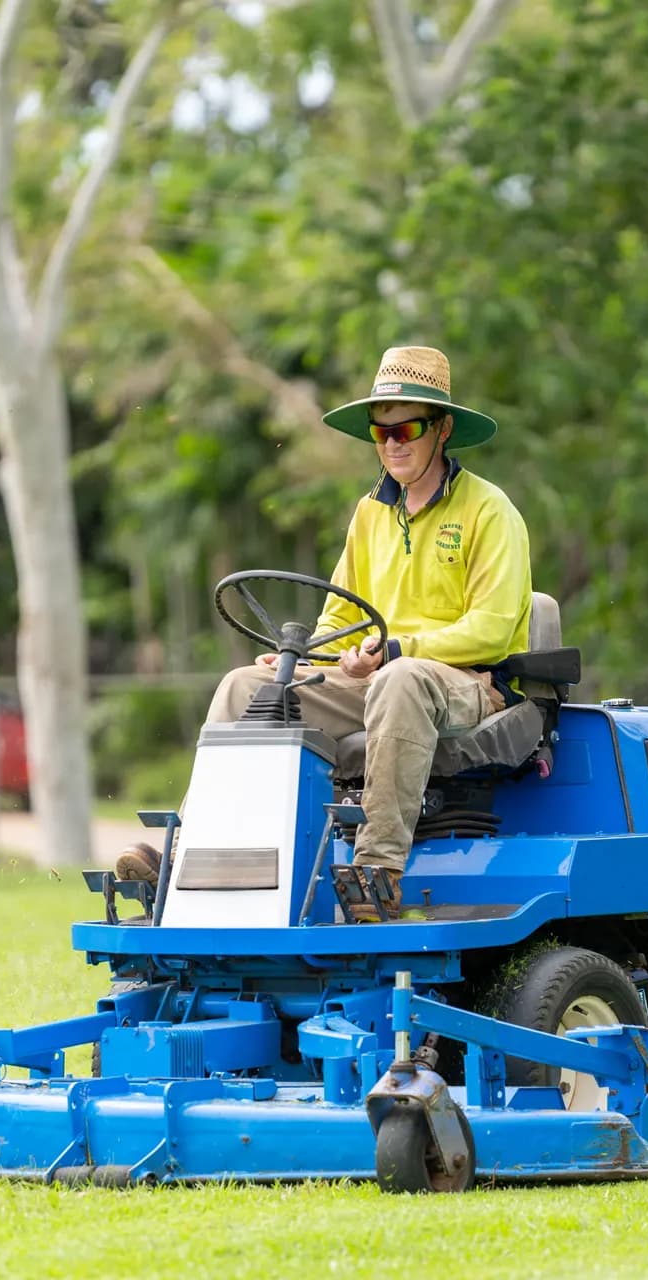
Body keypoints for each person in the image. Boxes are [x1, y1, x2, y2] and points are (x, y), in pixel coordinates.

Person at [118, 346, 532, 921]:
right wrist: (310, 661)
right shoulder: (369, 514)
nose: (393, 443)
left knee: (402, 678)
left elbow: (491, 628)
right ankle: (186, 857)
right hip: (383, 680)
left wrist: (396, 650)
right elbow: (341, 620)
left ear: (443, 429)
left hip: (467, 685)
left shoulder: (490, 511)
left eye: (407, 427)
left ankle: (377, 870)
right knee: (248, 688)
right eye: (381, 432)